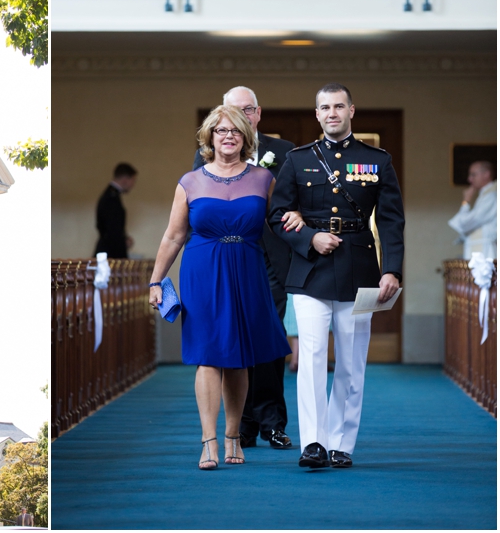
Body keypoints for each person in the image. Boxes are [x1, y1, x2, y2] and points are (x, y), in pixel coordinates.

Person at [269, 83, 404, 469]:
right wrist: (311, 237)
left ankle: (341, 443)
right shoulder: (297, 160)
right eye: (324, 107)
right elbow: (278, 216)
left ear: (351, 111)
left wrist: (391, 269)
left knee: (350, 360)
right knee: (310, 356)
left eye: (339, 106)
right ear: (317, 114)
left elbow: (393, 220)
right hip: (310, 270)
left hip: (359, 269)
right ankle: (312, 442)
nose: (332, 113)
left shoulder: (376, 159)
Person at [149, 105, 292, 470]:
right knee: (208, 356)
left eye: (236, 131)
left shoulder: (263, 179)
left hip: (247, 269)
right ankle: (208, 441)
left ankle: (233, 437)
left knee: (240, 358)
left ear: (246, 137)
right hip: (202, 271)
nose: (228, 136)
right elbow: (174, 235)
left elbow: (281, 224)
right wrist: (155, 280)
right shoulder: (190, 182)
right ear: (209, 137)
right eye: (220, 130)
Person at [193, 86, 295, 451]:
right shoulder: (205, 155)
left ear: (258, 113)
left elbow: (291, 205)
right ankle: (243, 426)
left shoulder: (284, 152)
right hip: (226, 262)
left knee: (267, 342)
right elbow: (195, 207)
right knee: (232, 341)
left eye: (247, 110)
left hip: (271, 262)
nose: (239, 119)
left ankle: (272, 422)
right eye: (231, 112)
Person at [448, 160, 497, 260]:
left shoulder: (491, 196)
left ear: (486, 174)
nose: (470, 179)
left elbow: (466, 223)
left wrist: (465, 202)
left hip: (485, 250)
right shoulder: (485, 195)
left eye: (473, 175)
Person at [94, 163, 138, 259]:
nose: (133, 185)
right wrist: (122, 241)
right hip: (110, 253)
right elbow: (112, 230)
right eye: (133, 180)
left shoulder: (111, 195)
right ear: (125, 179)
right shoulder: (111, 198)